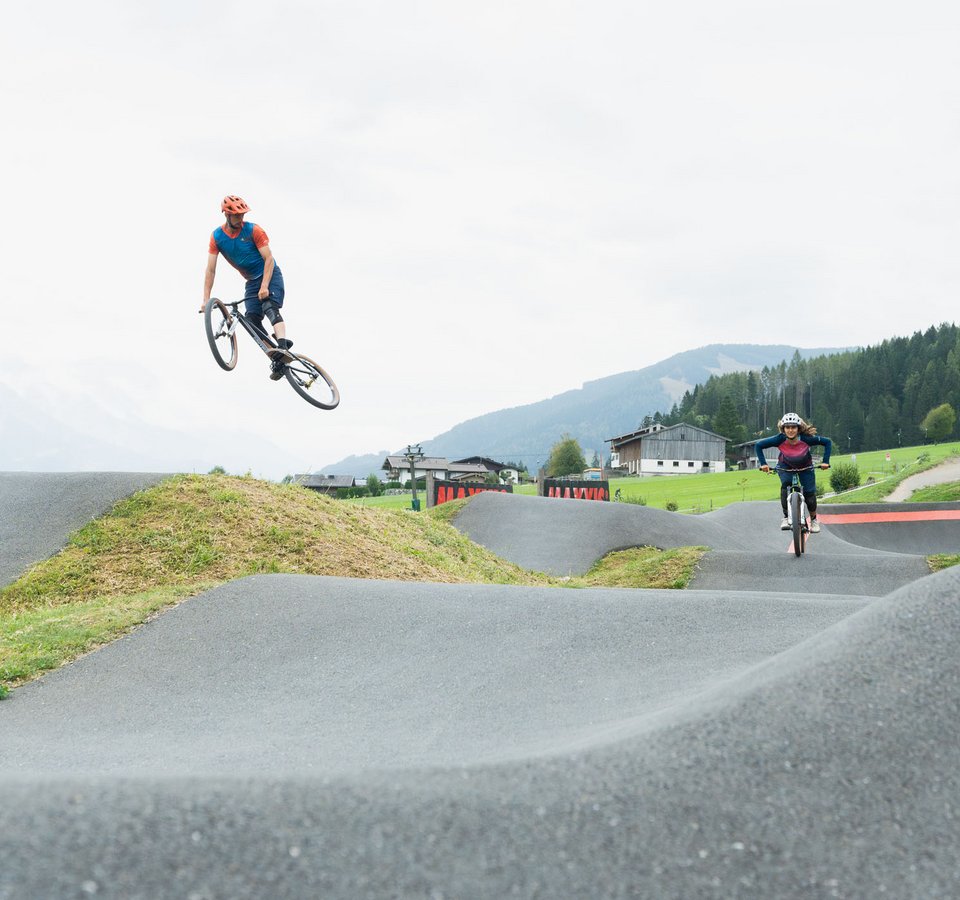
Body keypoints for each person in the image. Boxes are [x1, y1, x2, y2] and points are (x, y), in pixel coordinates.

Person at [201, 195, 292, 380]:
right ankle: (275, 357)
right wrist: (205, 299)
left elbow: (269, 259)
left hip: (270, 274)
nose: (241, 218)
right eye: (237, 215)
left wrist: (265, 286)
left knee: (267, 304)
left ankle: (282, 345)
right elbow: (210, 270)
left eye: (243, 214)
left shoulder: (253, 230)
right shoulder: (217, 237)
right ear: (227, 215)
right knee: (251, 320)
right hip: (251, 282)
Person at [756, 412, 832, 533]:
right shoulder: (779, 439)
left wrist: (825, 461)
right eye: (787, 427)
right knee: (785, 485)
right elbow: (759, 445)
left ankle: (813, 520)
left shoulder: (806, 439)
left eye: (793, 427)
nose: (790, 430)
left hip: (805, 467)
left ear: (798, 428)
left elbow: (827, 442)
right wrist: (763, 464)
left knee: (810, 495)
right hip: (785, 466)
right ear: (783, 428)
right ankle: (786, 517)